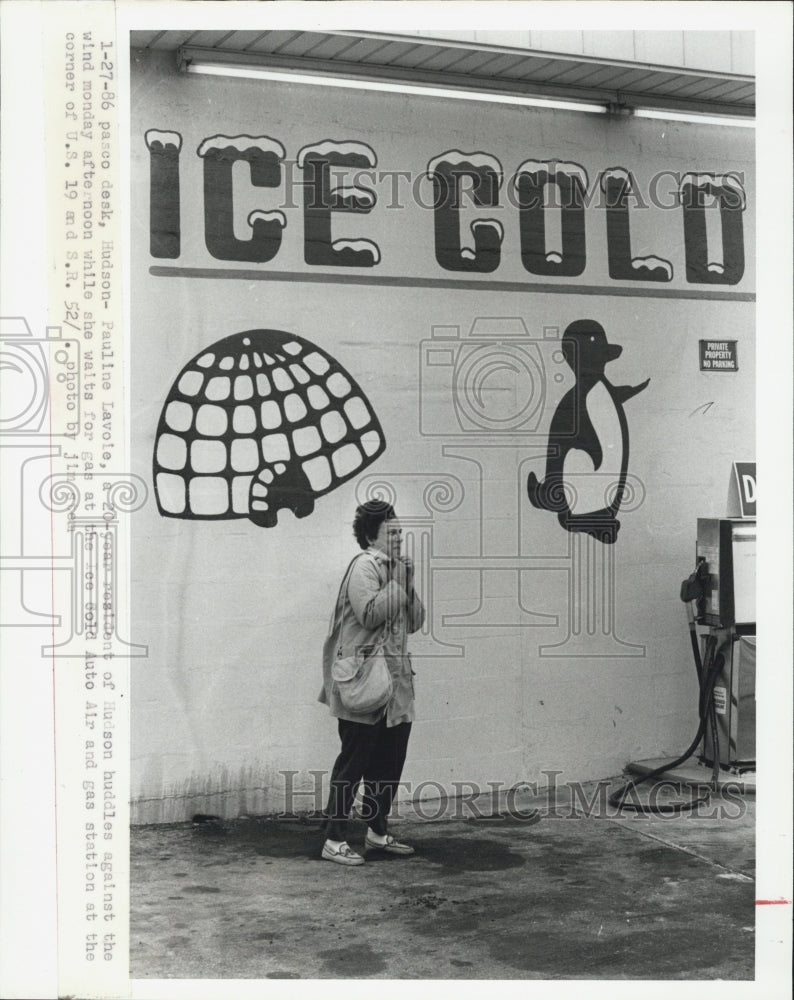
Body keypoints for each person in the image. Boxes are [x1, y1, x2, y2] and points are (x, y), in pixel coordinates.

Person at [318, 499, 425, 866]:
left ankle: (377, 833)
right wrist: (397, 582)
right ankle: (334, 839)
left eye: (400, 531)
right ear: (371, 536)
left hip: (394, 687)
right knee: (354, 762)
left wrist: (407, 586)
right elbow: (369, 612)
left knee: (388, 761)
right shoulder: (365, 566)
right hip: (362, 684)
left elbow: (415, 622)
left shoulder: (396, 571)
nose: (399, 537)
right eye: (391, 533)